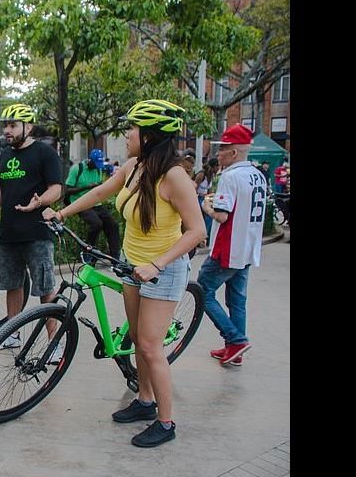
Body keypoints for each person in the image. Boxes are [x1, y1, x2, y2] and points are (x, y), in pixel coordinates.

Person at [43, 99, 205, 448]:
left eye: (132, 128)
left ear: (149, 136)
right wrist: (62, 213)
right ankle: (144, 401)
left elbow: (197, 231)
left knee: (150, 346)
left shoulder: (174, 177)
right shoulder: (134, 166)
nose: (127, 135)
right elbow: (102, 191)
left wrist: (156, 264)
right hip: (131, 264)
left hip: (163, 270)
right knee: (136, 338)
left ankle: (166, 422)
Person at [0, 103, 62, 356]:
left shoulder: (45, 153)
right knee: (12, 286)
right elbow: (0, 189)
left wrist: (40, 202)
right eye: (6, 126)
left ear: (28, 127)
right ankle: (12, 334)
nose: (7, 131)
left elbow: (56, 189)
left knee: (45, 288)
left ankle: (54, 343)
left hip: (37, 233)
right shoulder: (6, 155)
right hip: (9, 233)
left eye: (13, 126)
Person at [197, 124, 266, 368]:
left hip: (227, 249)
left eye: (223, 148)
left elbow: (222, 215)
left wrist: (206, 207)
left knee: (202, 292)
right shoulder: (258, 175)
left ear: (234, 152)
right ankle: (235, 348)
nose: (219, 153)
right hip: (247, 248)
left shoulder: (230, 176)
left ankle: (235, 340)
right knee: (237, 300)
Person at [63, 148, 121, 261]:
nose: (97, 167)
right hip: (80, 203)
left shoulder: (98, 170)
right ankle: (89, 251)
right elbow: (67, 191)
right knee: (97, 224)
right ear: (90, 160)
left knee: (113, 225)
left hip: (95, 203)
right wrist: (87, 187)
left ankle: (115, 257)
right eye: (95, 164)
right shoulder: (77, 169)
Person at [193, 157, 220, 243]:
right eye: (217, 166)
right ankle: (202, 236)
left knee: (210, 216)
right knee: (203, 217)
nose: (218, 168)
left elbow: (209, 190)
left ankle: (206, 236)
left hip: (205, 197)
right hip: (197, 197)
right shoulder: (202, 174)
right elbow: (194, 187)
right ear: (214, 166)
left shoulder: (211, 176)